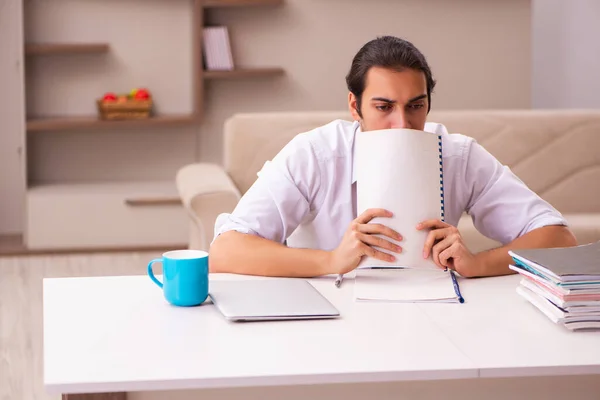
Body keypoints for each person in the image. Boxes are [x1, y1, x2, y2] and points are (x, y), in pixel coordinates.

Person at [209, 36, 576, 279]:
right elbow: (226, 249)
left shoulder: (457, 155)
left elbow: (559, 240)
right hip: (327, 312)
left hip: (431, 311)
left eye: (416, 106)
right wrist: (331, 260)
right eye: (383, 107)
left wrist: (478, 264)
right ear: (355, 105)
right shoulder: (316, 154)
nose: (402, 123)